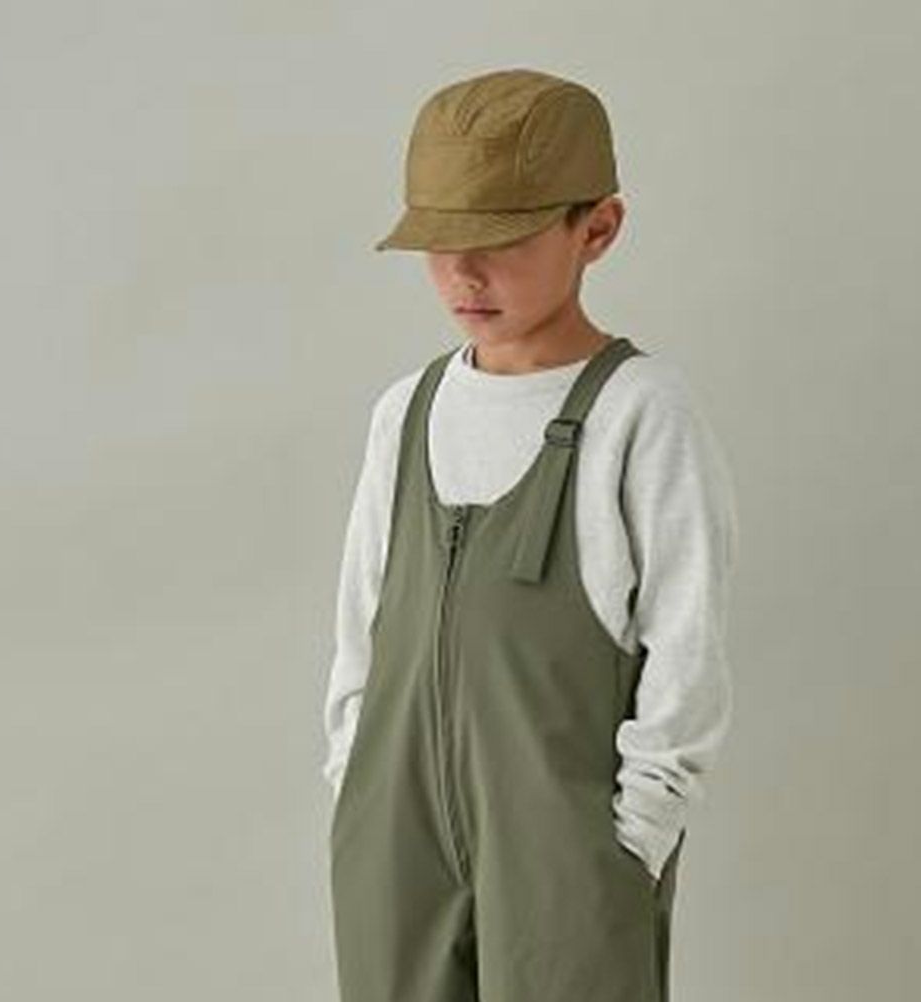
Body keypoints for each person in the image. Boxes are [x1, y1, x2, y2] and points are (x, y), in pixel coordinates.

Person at [321, 66, 738, 1002]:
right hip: (394, 833)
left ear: (598, 228)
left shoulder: (641, 412)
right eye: (440, 244)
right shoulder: (408, 412)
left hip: (567, 847)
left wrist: (634, 837)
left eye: (501, 240)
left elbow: (687, 647)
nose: (464, 275)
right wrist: (357, 783)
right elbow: (361, 629)